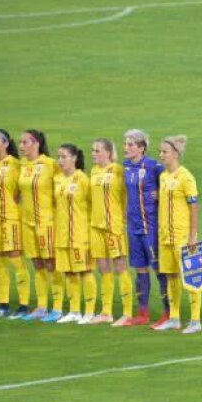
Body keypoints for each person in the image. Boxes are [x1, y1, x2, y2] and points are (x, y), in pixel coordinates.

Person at [155, 135, 201, 334]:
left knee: (191, 277)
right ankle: (174, 318)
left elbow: (194, 206)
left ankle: (195, 320)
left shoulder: (186, 177)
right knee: (171, 276)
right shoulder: (163, 177)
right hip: (165, 235)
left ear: (175, 153)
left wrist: (192, 235)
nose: (161, 155)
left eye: (164, 152)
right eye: (160, 152)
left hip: (182, 235)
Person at [123, 130, 166, 327]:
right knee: (140, 269)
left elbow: (168, 187)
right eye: (126, 144)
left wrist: (159, 195)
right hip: (133, 227)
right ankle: (143, 312)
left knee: (159, 269)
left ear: (141, 147)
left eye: (131, 144)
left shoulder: (153, 166)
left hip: (151, 226)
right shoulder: (124, 166)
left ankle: (168, 312)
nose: (127, 147)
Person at [17, 130, 61, 322]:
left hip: (46, 222)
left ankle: (57, 308)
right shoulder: (23, 165)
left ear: (36, 144)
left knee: (51, 263)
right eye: (20, 142)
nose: (21, 146)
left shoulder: (50, 165)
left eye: (25, 142)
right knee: (37, 264)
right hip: (27, 222)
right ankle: (42, 306)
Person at [0, 129, 26, 319]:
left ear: (6, 144)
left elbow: (20, 191)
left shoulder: (15, 164)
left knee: (16, 260)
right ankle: (3, 304)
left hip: (9, 218)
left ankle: (24, 305)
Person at [88, 138, 128, 325]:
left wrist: (124, 219)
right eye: (92, 150)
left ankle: (127, 312)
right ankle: (106, 312)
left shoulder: (118, 170)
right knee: (104, 270)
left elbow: (126, 196)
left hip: (114, 226)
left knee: (120, 268)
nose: (93, 154)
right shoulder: (94, 171)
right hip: (96, 226)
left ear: (109, 152)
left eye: (97, 150)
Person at [54, 143, 93, 325]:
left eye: (64, 156)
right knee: (69, 272)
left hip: (79, 234)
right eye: (59, 157)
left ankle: (90, 312)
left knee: (84, 271)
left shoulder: (83, 179)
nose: (60, 160)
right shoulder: (58, 179)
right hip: (62, 234)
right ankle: (75, 311)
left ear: (74, 158)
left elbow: (92, 206)